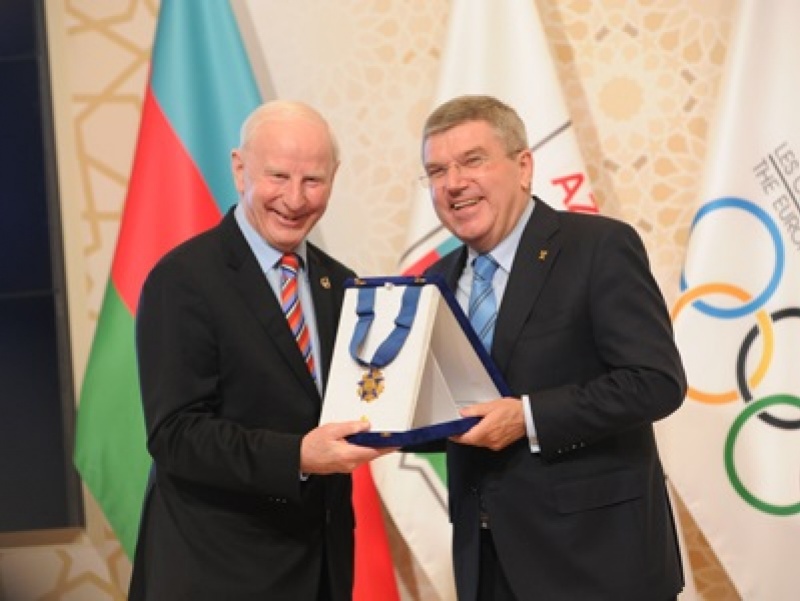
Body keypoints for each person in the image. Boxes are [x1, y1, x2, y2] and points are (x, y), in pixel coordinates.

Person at [419, 95, 687, 600]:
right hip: (487, 564)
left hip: (599, 564)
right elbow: (454, 417)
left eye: (473, 160)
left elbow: (655, 382)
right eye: (437, 170)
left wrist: (527, 417)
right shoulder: (433, 282)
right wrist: (387, 419)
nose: (453, 183)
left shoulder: (598, 247)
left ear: (523, 167)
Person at [128, 100, 393, 601]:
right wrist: (297, 455)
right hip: (218, 573)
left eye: (313, 180)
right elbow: (176, 435)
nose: (294, 199)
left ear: (334, 178)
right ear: (239, 168)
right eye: (277, 176)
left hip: (322, 569)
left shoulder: (342, 285)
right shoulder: (182, 280)